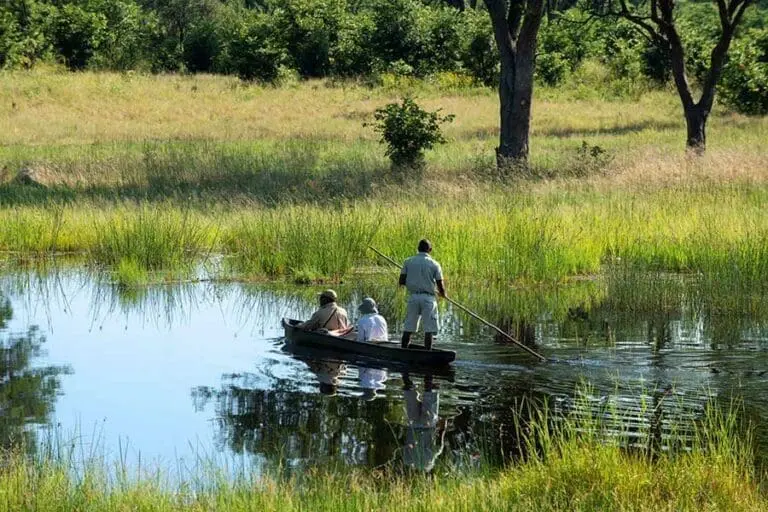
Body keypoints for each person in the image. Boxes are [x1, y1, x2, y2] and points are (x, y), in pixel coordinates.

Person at [399, 239, 446, 350]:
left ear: (418, 249)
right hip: (428, 299)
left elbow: (401, 281)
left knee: (408, 327)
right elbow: (440, 284)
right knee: (429, 329)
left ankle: (403, 350)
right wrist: (442, 294)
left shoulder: (408, 261)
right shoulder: (434, 264)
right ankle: (427, 352)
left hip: (413, 297)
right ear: (430, 250)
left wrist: (412, 281)